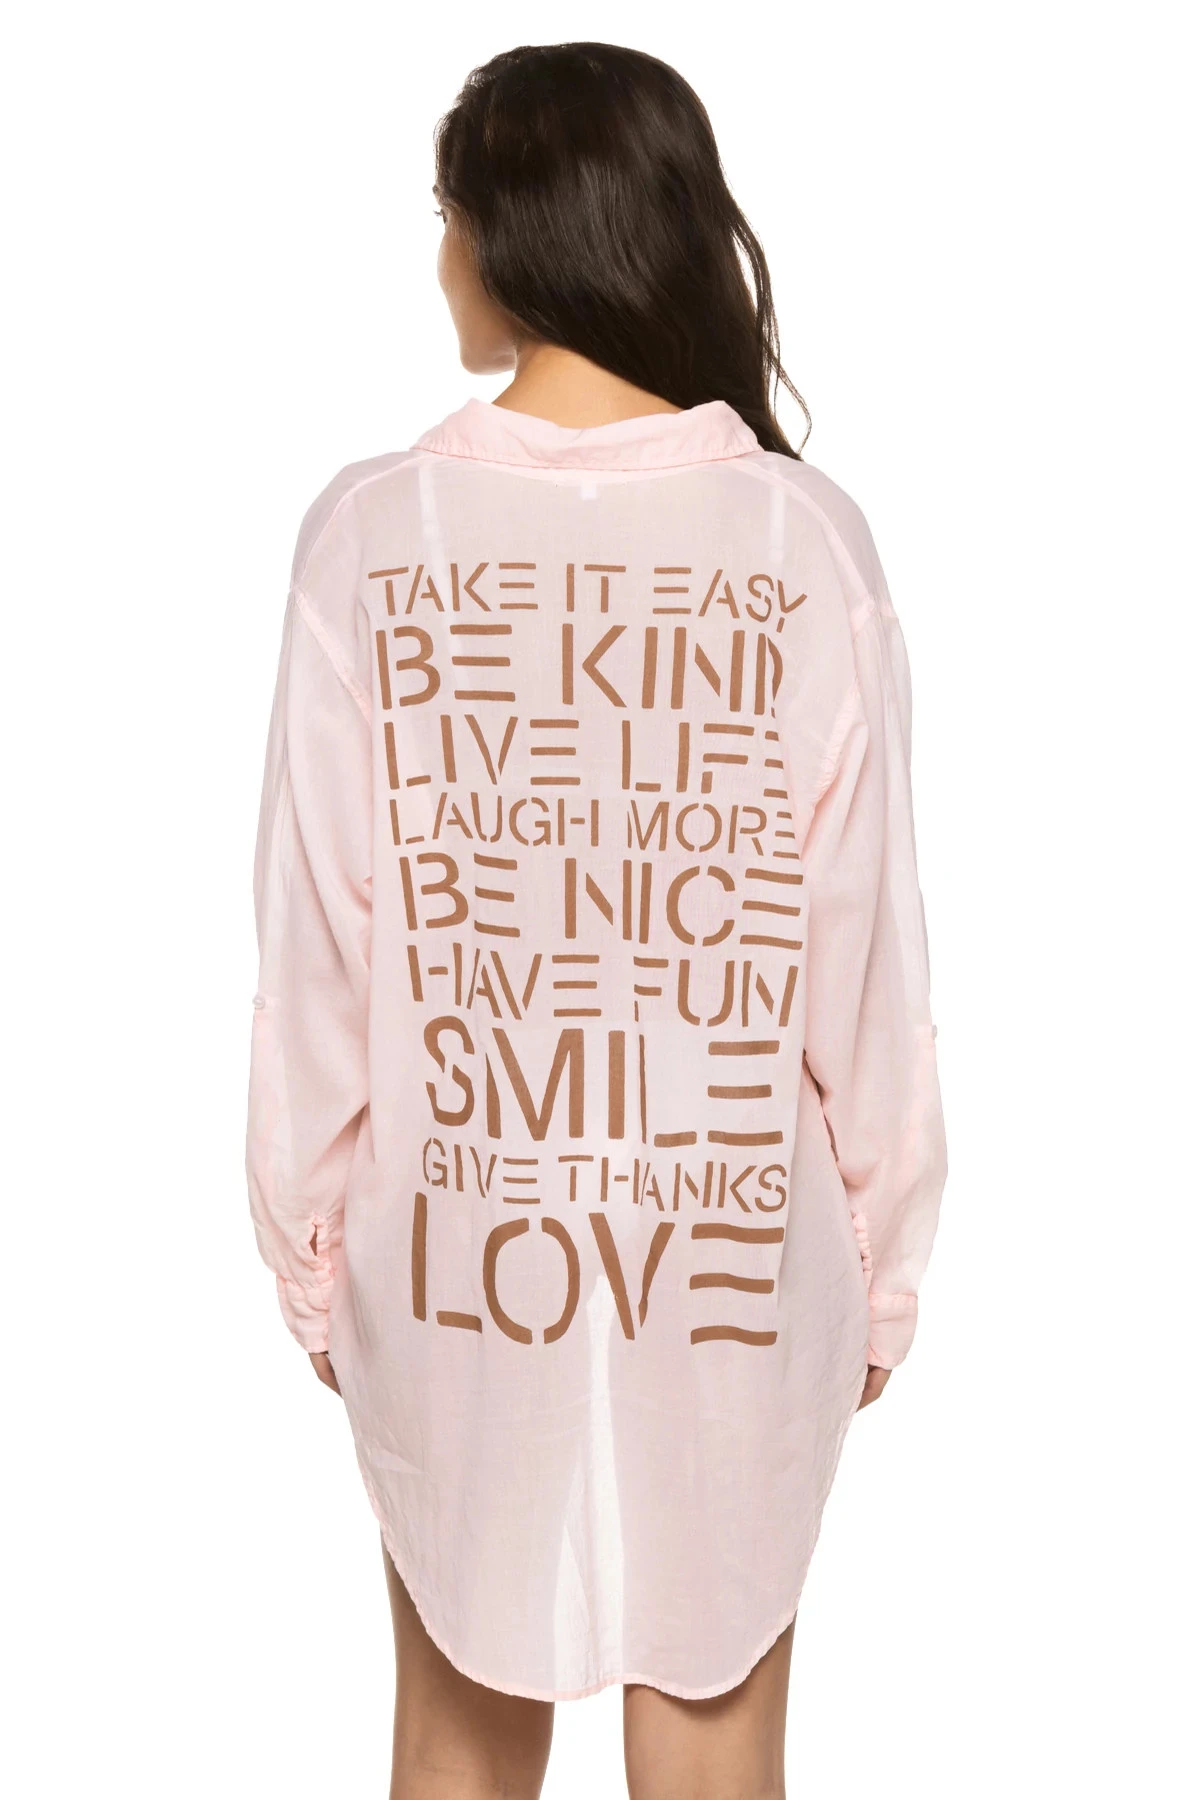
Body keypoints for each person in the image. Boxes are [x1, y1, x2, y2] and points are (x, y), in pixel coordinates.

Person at [246, 40, 947, 1800]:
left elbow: (320, 944)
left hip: (458, 1237)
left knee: (456, 1746)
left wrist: (317, 1253)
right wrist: (883, 1269)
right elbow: (866, 957)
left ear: (516, 230)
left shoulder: (374, 536)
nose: (440, 260)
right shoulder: (802, 543)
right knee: (717, 1757)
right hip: (734, 1246)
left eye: (448, 216)